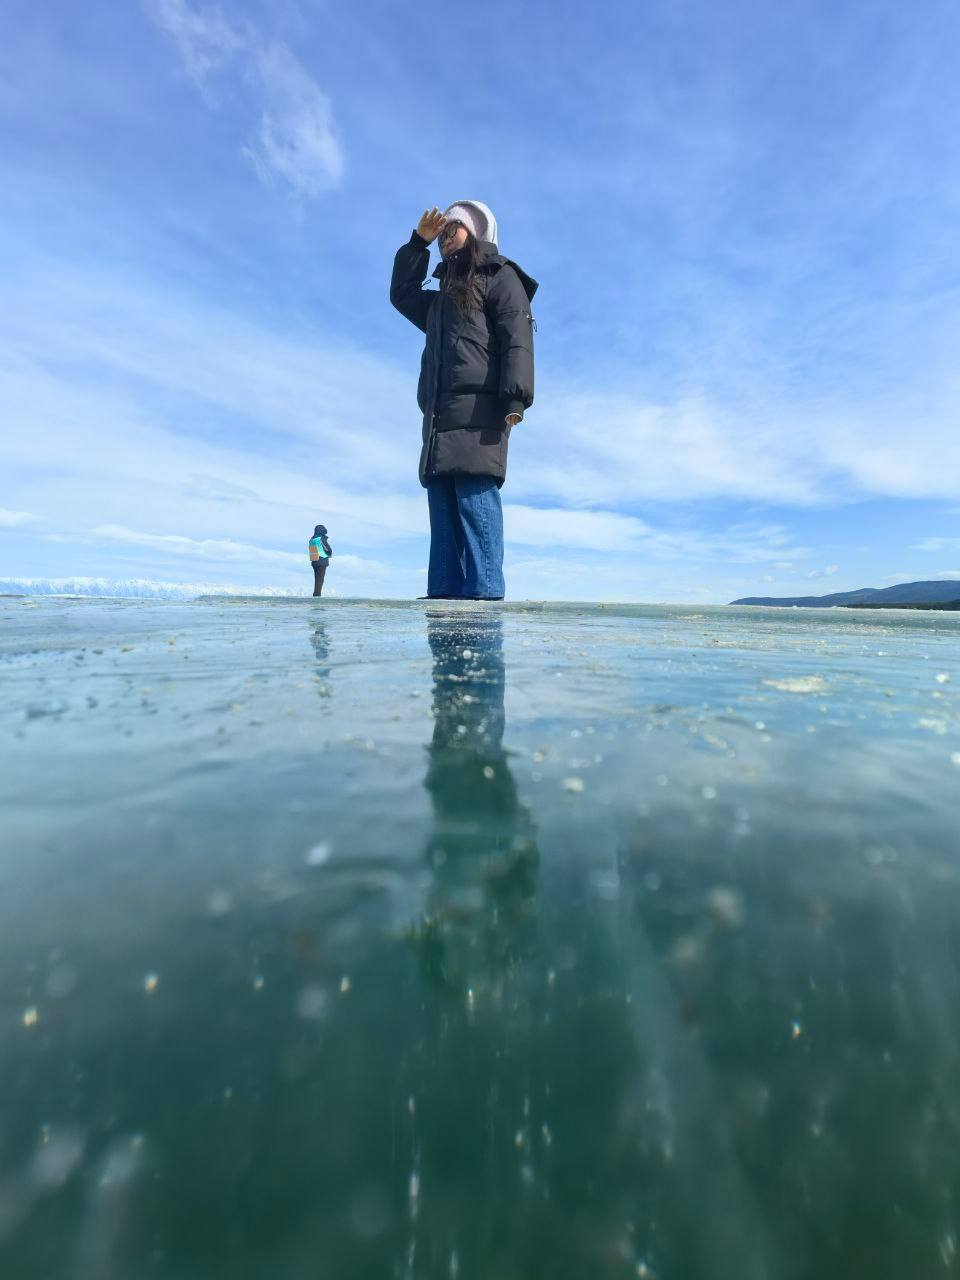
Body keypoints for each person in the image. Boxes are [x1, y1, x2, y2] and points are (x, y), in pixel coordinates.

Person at [390, 201, 537, 600]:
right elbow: (402, 294)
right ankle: (442, 602)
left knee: (476, 506)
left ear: (475, 231)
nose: (444, 236)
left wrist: (516, 399)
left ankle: (485, 599)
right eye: (440, 232)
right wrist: (416, 245)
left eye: (451, 228)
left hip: (481, 415)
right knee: (443, 517)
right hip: (439, 421)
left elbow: (517, 338)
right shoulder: (438, 301)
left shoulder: (499, 276)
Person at [308, 524, 332, 597]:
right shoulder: (320, 538)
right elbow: (327, 549)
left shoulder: (312, 539)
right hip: (322, 561)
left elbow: (312, 549)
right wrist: (330, 553)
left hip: (314, 561)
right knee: (320, 579)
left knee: (317, 579)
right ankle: (317, 595)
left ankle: (316, 594)